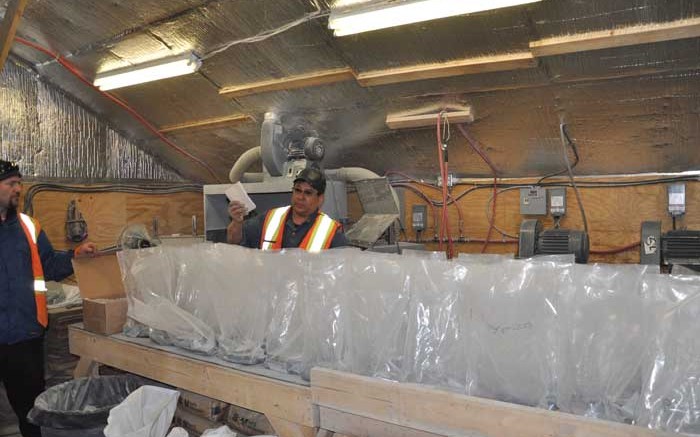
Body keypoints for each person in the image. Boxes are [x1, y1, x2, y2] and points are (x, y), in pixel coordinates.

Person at [0, 159, 97, 437]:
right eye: (11, 183)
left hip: (24, 334)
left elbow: (49, 264)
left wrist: (74, 255)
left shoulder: (30, 227)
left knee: (30, 412)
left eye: (19, 182)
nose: (18, 188)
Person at [227, 167, 347, 251]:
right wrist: (237, 222)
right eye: (297, 190)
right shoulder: (269, 219)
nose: (301, 197)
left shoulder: (331, 232)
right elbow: (235, 242)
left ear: (320, 199)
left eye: (308, 193)